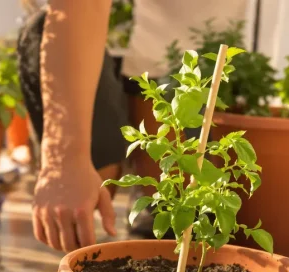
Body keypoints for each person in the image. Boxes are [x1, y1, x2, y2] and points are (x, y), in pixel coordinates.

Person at [17, 0, 248, 252]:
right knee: (41, 32)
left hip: (193, 70)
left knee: (179, 216)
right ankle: (100, 193)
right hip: (118, 61)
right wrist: (64, 161)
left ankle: (145, 190)